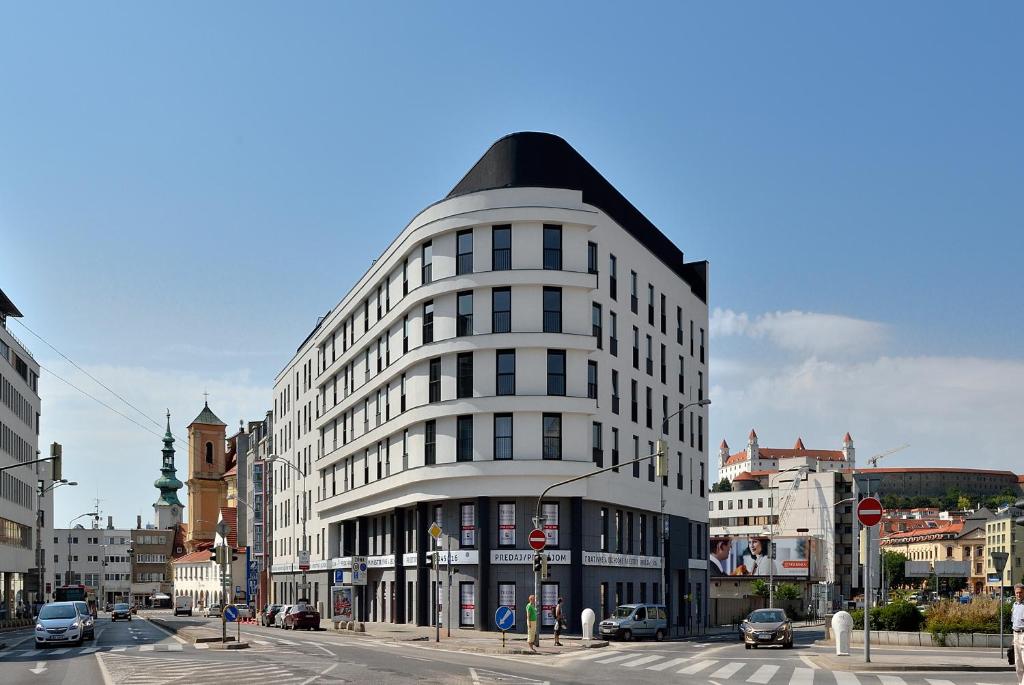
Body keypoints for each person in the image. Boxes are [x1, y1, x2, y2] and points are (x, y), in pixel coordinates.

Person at [1012, 583, 1024, 683]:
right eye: (1017, 593)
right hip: (1016, 635)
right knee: (1018, 663)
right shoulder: (1014, 605)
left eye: (1020, 592)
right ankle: (1020, 683)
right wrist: (1013, 638)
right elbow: (1014, 622)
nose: (1018, 595)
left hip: (1023, 635)